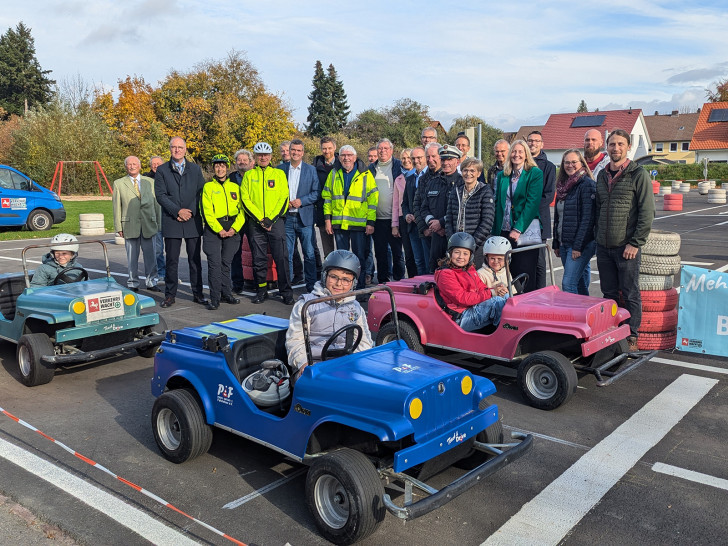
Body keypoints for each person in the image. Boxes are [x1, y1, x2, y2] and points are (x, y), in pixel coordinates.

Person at [595, 129, 655, 351]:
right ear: (607, 147)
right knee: (609, 294)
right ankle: (612, 333)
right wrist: (597, 235)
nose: (616, 148)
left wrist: (636, 243)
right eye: (612, 144)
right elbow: (598, 209)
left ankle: (632, 336)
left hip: (626, 247)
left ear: (627, 147)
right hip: (604, 247)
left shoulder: (638, 174)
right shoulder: (602, 175)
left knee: (629, 293)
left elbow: (647, 212)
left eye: (620, 144)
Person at [285, 250, 373, 383]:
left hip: (345, 364)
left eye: (345, 280)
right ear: (325, 275)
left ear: (353, 283)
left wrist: (359, 365)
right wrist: (303, 363)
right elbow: (295, 340)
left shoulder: (356, 308)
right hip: (314, 365)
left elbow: (364, 342)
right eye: (333, 277)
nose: (338, 284)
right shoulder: (306, 305)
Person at [154, 136, 207, 308]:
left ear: (185, 149)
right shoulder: (162, 170)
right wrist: (177, 211)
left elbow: (200, 193)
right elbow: (161, 195)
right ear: (170, 149)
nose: (177, 150)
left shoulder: (195, 169)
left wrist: (188, 212)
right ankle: (170, 295)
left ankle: (197, 293)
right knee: (172, 260)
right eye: (173, 147)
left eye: (180, 147)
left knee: (194, 259)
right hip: (172, 220)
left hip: (192, 220)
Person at [241, 141, 294, 305]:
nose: (263, 157)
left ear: (271, 156)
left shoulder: (278, 174)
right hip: (256, 224)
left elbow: (283, 198)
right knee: (259, 259)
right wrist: (260, 218)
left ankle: (286, 292)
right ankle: (261, 291)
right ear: (255, 157)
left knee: (281, 258)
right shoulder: (249, 175)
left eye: (266, 155)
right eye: (260, 155)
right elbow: (245, 199)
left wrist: (271, 218)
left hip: (275, 222)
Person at [322, 145, 378, 290]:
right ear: (339, 158)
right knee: (342, 259)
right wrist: (327, 220)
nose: (346, 158)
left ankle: (359, 288)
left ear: (355, 157)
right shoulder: (334, 173)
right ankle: (343, 288)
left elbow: (373, 200)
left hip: (359, 224)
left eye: (349, 155)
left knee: (360, 258)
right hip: (339, 224)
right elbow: (327, 198)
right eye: (343, 155)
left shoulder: (365, 175)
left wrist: (370, 222)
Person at [492, 139, 543, 293]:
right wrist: (495, 232)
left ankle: (528, 306)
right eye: (514, 151)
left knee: (525, 272)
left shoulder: (534, 173)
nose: (517, 155)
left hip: (524, 231)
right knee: (508, 271)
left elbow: (532, 203)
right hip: (504, 229)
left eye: (520, 151)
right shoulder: (503, 175)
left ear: (526, 154)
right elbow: (497, 202)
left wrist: (518, 228)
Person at [434, 233, 507, 332]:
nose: (461, 257)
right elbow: (462, 298)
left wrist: (496, 289)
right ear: (450, 253)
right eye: (457, 252)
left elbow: (482, 288)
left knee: (506, 297)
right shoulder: (446, 274)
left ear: (470, 257)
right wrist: (492, 293)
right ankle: (502, 334)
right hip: (461, 317)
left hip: (472, 308)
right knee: (497, 301)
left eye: (465, 253)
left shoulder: (469, 270)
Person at [201, 154, 245, 310]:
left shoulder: (235, 187)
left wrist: (234, 228)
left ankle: (227, 294)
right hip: (214, 229)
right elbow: (207, 211)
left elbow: (242, 211)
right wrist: (219, 229)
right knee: (215, 264)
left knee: (226, 263)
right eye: (217, 166)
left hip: (232, 227)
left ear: (227, 167)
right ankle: (215, 298)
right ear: (213, 168)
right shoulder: (208, 187)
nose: (220, 168)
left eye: (222, 165)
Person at [113, 156, 161, 293]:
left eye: (134, 164)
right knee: (132, 257)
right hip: (129, 225)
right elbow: (116, 206)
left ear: (140, 166)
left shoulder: (150, 182)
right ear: (125, 167)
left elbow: (157, 204)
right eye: (129, 164)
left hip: (149, 224)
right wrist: (118, 227)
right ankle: (133, 282)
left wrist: (159, 223)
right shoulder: (119, 183)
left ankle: (152, 281)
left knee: (151, 256)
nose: (132, 166)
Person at [552, 150, 596, 296]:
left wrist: (578, 246)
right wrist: (556, 243)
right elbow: (558, 216)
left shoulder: (587, 184)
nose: (570, 165)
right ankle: (587, 316)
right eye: (566, 162)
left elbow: (588, 219)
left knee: (568, 284)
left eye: (573, 162)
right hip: (565, 243)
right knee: (579, 284)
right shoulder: (563, 187)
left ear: (581, 163)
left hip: (580, 245)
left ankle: (572, 317)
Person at [416, 144, 462, 272]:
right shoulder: (433, 182)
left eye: (449, 160)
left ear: (457, 161)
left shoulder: (462, 182)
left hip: (454, 236)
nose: (446, 163)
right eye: (443, 159)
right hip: (436, 237)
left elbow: (461, 210)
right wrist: (432, 223)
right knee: (435, 273)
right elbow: (424, 208)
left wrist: (441, 223)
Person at [282, 138, 320, 292]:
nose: (295, 153)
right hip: (287, 218)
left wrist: (301, 201)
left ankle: (311, 287)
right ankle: (287, 287)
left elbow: (316, 193)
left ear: (303, 153)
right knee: (287, 254)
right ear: (289, 151)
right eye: (293, 150)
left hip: (305, 218)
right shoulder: (280, 169)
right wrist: (286, 203)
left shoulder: (311, 170)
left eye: (298, 150)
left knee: (309, 254)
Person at [445, 157, 495, 268]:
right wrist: (452, 241)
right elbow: (448, 218)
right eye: (465, 170)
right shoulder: (456, 191)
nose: (468, 174)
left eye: (472, 171)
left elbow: (487, 221)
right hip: (456, 245)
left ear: (479, 173)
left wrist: (472, 244)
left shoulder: (485, 191)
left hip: (477, 246)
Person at [369, 138, 405, 284]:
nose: (382, 151)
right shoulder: (371, 168)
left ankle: (399, 281)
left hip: (394, 218)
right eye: (380, 148)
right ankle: (383, 282)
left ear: (391, 150)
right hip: (377, 219)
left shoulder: (399, 165)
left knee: (397, 253)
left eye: (386, 148)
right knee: (380, 253)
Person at [527, 130, 556, 290]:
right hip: (519, 222)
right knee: (522, 260)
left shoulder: (549, 167)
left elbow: (548, 196)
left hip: (538, 222)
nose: (533, 143)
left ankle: (540, 293)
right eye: (530, 140)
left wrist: (528, 213)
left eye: (536, 141)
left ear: (542, 144)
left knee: (538, 262)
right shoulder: (520, 164)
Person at [400, 146, 429, 275]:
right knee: (418, 261)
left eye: (419, 158)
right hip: (412, 227)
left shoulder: (432, 176)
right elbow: (405, 202)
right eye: (414, 158)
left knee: (428, 261)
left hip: (427, 227)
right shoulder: (410, 178)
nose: (416, 161)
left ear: (426, 158)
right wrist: (406, 215)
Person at [412, 141, 442, 269]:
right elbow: (417, 205)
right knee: (428, 269)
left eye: (433, 156)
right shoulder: (423, 179)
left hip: (443, 232)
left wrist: (441, 225)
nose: (431, 160)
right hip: (426, 232)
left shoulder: (448, 177)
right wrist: (424, 227)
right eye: (428, 157)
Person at [230, 149, 255, 294]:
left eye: (245, 160)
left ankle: (258, 282)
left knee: (256, 252)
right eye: (239, 160)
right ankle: (237, 283)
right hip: (237, 221)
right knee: (235, 253)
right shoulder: (231, 177)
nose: (242, 162)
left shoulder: (255, 176)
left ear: (251, 161)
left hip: (252, 219)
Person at [312, 136, 339, 260]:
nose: (327, 151)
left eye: (329, 148)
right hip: (323, 212)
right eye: (324, 148)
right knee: (328, 251)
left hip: (340, 213)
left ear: (334, 147)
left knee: (341, 249)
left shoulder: (342, 164)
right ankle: (329, 274)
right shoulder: (315, 167)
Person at [144, 155, 165, 281]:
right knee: (157, 249)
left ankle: (170, 273)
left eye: (158, 163)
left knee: (173, 249)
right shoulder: (146, 179)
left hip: (169, 216)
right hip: (155, 218)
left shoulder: (168, 176)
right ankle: (161, 274)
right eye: (154, 164)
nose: (156, 165)